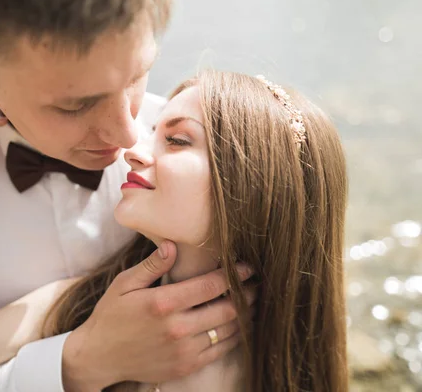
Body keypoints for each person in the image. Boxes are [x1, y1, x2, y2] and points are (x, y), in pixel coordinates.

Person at [0, 0, 254, 391]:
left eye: (137, 76)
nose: (129, 134)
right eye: (75, 106)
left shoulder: (187, 147)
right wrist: (79, 366)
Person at [39, 71, 350, 391]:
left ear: (256, 184)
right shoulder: (82, 298)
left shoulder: (266, 372)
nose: (132, 150)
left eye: (176, 140)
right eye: (152, 132)